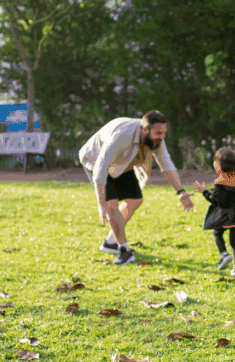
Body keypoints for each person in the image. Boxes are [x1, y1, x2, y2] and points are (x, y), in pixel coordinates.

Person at [79, 110, 194, 265]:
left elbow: (166, 164)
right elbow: (101, 167)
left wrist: (181, 192)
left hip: (122, 163)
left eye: (164, 133)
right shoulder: (122, 135)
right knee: (111, 205)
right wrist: (101, 203)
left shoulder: (156, 139)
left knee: (135, 200)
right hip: (96, 160)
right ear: (144, 130)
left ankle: (111, 242)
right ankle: (124, 251)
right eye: (158, 133)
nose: (162, 137)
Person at [192, 148, 235, 277]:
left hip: (226, 218)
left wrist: (204, 191)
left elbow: (215, 201)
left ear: (219, 166)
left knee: (217, 234)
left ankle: (224, 254)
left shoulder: (219, 182)